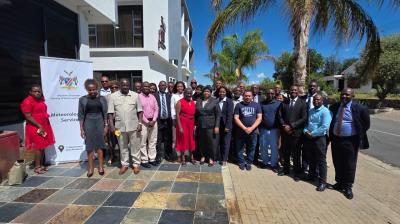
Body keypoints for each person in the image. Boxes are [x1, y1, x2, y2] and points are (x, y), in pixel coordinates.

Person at [329, 88, 370, 199]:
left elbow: (366, 125)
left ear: (353, 96)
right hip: (336, 139)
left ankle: (348, 186)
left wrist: (355, 134)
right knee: (337, 161)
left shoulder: (360, 108)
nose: (344, 96)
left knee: (349, 164)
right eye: (342, 94)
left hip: (350, 141)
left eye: (347, 95)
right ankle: (340, 182)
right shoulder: (335, 106)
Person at [108, 79, 143, 175]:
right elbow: (110, 113)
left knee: (135, 146)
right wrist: (111, 126)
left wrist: (140, 124)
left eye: (127, 85)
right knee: (122, 146)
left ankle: (136, 164)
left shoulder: (135, 95)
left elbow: (140, 111)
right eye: (123, 85)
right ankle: (124, 164)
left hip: (134, 126)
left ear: (129, 85)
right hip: (119, 127)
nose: (125, 87)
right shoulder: (113, 97)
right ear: (120, 85)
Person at [21, 85, 55, 174]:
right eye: (35, 91)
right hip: (34, 126)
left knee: (42, 146)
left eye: (39, 91)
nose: (37, 93)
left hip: (43, 125)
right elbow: (28, 116)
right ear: (30, 92)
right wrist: (39, 125)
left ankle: (41, 164)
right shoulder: (27, 101)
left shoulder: (40, 100)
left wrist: (43, 125)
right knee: (38, 147)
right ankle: (37, 167)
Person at [78, 79, 108, 177]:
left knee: (100, 145)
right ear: (87, 89)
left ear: (97, 88)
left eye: (94, 89)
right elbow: (81, 115)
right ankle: (90, 168)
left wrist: (106, 126)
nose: (92, 91)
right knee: (89, 146)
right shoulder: (82, 99)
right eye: (90, 90)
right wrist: (81, 129)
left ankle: (100, 166)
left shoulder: (102, 99)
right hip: (88, 122)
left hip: (100, 121)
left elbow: (105, 114)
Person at [278, 85, 307, 181]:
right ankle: (286, 170)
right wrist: (284, 126)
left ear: (298, 91)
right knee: (286, 152)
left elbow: (304, 118)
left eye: (295, 90)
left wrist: (292, 126)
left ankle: (296, 173)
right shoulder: (284, 102)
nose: (293, 91)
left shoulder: (302, 103)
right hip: (285, 132)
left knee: (296, 154)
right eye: (292, 90)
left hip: (296, 133)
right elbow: (280, 116)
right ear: (289, 91)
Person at [303, 94, 332, 191]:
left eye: (318, 99)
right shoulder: (311, 111)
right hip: (309, 137)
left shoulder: (325, 111)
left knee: (321, 161)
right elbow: (307, 124)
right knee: (311, 158)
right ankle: (311, 176)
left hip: (319, 139)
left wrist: (313, 134)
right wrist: (305, 131)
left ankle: (322, 182)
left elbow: (324, 126)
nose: (316, 101)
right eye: (314, 99)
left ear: (322, 101)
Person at [234, 90, 262, 171]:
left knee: (252, 147)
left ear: (252, 97)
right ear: (243, 96)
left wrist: (251, 128)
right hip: (241, 131)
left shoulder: (256, 105)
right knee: (240, 147)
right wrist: (244, 128)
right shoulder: (239, 105)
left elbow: (259, 118)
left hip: (253, 131)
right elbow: (236, 118)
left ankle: (249, 162)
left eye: (249, 96)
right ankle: (241, 162)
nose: (247, 97)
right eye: (246, 95)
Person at [196, 86, 221, 166]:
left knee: (211, 143)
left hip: (211, 126)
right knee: (201, 142)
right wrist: (195, 124)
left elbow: (218, 114)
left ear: (210, 93)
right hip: (200, 126)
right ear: (203, 92)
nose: (206, 92)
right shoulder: (199, 100)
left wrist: (217, 126)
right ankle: (203, 156)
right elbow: (196, 114)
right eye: (205, 91)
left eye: (208, 91)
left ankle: (211, 158)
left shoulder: (214, 101)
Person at [259, 89, 282, 173]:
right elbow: (259, 116)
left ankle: (274, 164)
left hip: (274, 130)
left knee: (274, 148)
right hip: (263, 129)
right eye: (268, 93)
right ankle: (264, 162)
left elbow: (281, 117)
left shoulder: (278, 103)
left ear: (274, 94)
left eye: (272, 93)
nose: (270, 94)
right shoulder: (261, 104)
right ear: (266, 94)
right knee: (263, 147)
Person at [139, 82, 159, 168]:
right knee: (143, 142)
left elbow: (156, 108)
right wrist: (147, 121)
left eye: (148, 86)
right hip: (144, 122)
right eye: (145, 86)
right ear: (142, 87)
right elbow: (139, 111)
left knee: (153, 141)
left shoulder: (153, 96)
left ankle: (152, 159)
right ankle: (144, 160)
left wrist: (154, 120)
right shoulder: (138, 97)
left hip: (153, 122)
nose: (147, 88)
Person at [175, 88, 196, 165]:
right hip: (183, 123)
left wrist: (194, 125)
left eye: (190, 93)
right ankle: (183, 158)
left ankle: (191, 157)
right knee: (183, 141)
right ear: (184, 93)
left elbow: (194, 114)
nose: (189, 95)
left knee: (191, 140)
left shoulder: (193, 102)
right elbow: (177, 115)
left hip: (191, 123)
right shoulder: (180, 102)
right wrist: (180, 127)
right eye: (187, 93)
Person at [155, 81, 173, 163]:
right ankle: (158, 155)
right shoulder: (154, 95)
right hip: (158, 121)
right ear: (158, 86)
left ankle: (167, 154)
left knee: (167, 139)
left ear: (166, 87)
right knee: (158, 139)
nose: (162, 87)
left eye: (164, 85)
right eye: (161, 85)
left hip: (168, 121)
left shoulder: (169, 96)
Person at [217, 86, 233, 166]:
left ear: (226, 92)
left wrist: (227, 126)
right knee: (219, 142)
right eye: (220, 92)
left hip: (226, 125)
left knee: (226, 143)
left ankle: (224, 159)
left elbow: (230, 115)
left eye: (223, 92)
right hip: (217, 125)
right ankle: (219, 157)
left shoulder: (229, 101)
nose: (222, 93)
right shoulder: (216, 100)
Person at [105, 80, 120, 165]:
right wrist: (107, 124)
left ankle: (122, 156)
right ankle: (112, 155)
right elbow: (105, 111)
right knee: (111, 141)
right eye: (112, 87)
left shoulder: (121, 96)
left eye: (116, 87)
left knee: (119, 139)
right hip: (111, 123)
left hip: (119, 123)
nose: (114, 89)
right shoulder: (106, 97)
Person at [170, 81, 186, 160]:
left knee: (183, 138)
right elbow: (172, 108)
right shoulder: (174, 96)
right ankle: (177, 155)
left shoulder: (186, 95)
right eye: (178, 86)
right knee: (175, 138)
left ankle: (184, 154)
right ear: (176, 87)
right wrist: (175, 119)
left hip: (185, 120)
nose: (180, 88)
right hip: (176, 120)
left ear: (184, 87)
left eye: (181, 86)